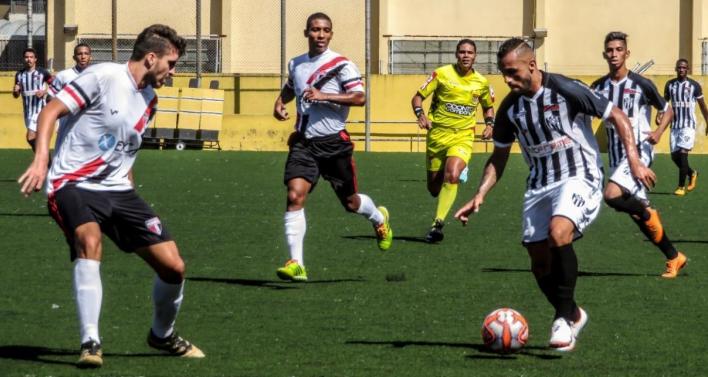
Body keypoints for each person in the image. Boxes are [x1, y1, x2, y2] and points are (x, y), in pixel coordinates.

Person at [17, 24, 204, 368]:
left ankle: (161, 335)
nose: (174, 72)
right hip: (72, 184)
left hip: (118, 191)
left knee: (174, 267)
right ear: (151, 58)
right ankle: (91, 341)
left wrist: (129, 194)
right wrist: (42, 160)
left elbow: (124, 151)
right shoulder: (103, 76)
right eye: (172, 63)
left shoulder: (150, 100)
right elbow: (49, 112)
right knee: (89, 240)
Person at [454, 38, 655, 351]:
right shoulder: (510, 108)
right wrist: (480, 194)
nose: (507, 79)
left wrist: (633, 158)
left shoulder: (565, 89)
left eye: (512, 72)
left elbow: (616, 114)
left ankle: (562, 318)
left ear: (532, 65)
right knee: (538, 262)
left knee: (558, 232)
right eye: (503, 73)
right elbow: (499, 156)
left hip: (580, 175)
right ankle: (574, 313)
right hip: (539, 184)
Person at [272, 12, 393, 282]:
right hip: (304, 143)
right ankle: (296, 263)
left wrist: (323, 94)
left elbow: (360, 98)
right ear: (306, 33)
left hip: (334, 144)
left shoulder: (342, 65)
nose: (320, 35)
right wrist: (280, 101)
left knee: (351, 203)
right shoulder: (297, 63)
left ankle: (378, 219)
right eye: (315, 30)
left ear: (331, 34)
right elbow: (292, 86)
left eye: (325, 30)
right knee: (294, 196)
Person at [591, 32, 686, 278]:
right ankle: (674, 257)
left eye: (618, 49)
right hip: (615, 155)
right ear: (604, 54)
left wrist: (658, 132)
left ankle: (647, 212)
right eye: (610, 50)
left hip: (640, 151)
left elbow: (668, 110)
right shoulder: (598, 87)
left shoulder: (641, 84)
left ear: (627, 54)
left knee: (612, 195)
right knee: (638, 214)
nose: (614, 54)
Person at [411, 39, 495, 243]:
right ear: (456, 54)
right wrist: (420, 114)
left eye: (470, 52)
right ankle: (451, 172)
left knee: (452, 174)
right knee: (433, 188)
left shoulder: (482, 82)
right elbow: (417, 97)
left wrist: (490, 124)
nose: (466, 55)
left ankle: (437, 224)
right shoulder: (441, 74)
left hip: (463, 135)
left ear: (475, 56)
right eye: (462, 52)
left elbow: (488, 107)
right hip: (437, 136)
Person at [662, 58, 708, 196]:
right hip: (675, 125)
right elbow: (664, 104)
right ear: (676, 69)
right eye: (679, 67)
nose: (681, 70)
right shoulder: (669, 85)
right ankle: (692, 173)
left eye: (684, 68)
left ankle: (681, 186)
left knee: (683, 153)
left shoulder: (694, 86)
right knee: (674, 156)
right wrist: (660, 114)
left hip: (688, 125)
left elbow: (703, 106)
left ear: (687, 70)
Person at [12, 47, 53, 152]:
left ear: (35, 59)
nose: (29, 59)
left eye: (31, 57)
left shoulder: (42, 73)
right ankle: (44, 162)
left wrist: (44, 91)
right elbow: (16, 95)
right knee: (36, 139)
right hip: (27, 112)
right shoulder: (19, 75)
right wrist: (16, 91)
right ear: (23, 59)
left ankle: (43, 160)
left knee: (30, 137)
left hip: (40, 110)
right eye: (26, 57)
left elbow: (55, 85)